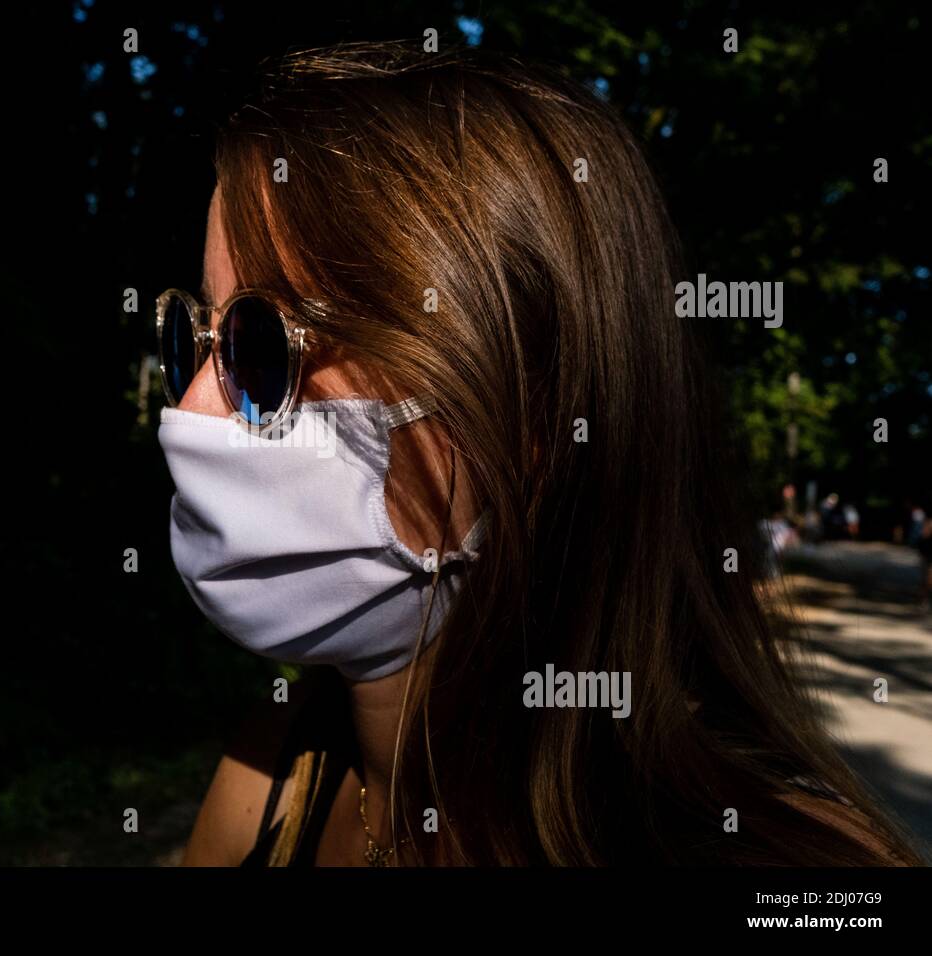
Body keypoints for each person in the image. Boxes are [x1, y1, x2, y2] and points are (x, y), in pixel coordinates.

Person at [157, 42, 919, 865]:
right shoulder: (272, 766)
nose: (193, 405)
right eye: (191, 339)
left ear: (534, 416)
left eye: (260, 344)